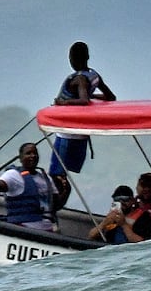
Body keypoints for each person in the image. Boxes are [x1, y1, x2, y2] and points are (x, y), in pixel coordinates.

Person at [49, 41, 116, 203]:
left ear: (72, 59)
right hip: (80, 136)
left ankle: (53, 210)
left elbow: (84, 100)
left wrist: (65, 103)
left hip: (67, 135)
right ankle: (54, 208)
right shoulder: (94, 75)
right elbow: (110, 97)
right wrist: (92, 96)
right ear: (88, 57)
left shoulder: (79, 78)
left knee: (56, 175)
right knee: (61, 176)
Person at [0, 142, 56, 231]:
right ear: (20, 158)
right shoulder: (14, 175)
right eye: (28, 153)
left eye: (35, 153)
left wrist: (67, 189)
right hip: (24, 228)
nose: (33, 156)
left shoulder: (46, 178)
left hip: (47, 230)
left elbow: (56, 204)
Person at [87, 185, 151, 244]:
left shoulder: (144, 218)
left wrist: (123, 224)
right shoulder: (112, 217)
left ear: (132, 201)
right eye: (117, 199)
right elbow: (91, 236)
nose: (121, 202)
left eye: (125, 199)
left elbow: (142, 243)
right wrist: (104, 223)